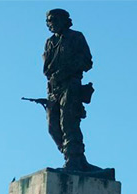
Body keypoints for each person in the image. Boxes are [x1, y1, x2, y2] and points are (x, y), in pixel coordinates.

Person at [43, 9, 97, 171]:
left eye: (53, 20)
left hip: (71, 85)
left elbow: (87, 61)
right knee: (53, 125)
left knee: (68, 121)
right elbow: (46, 68)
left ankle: (74, 159)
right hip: (54, 88)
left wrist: (65, 71)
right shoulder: (50, 42)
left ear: (64, 20)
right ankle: (73, 156)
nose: (50, 24)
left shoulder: (76, 37)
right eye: (48, 21)